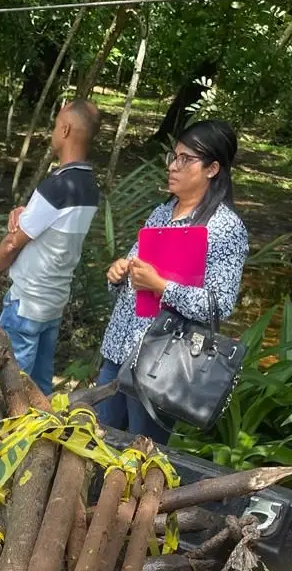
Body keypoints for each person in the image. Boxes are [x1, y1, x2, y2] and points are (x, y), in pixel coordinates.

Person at [96, 119, 249, 444]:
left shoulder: (225, 229)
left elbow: (218, 306)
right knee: (94, 439)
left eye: (186, 159)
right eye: (173, 156)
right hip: (118, 349)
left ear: (212, 169)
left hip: (160, 363)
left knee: (141, 455)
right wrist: (119, 273)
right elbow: (136, 267)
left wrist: (162, 286)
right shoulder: (164, 211)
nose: (173, 167)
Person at [0, 99, 101, 395]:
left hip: (27, 303)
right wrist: (24, 212)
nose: (54, 131)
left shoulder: (57, 187)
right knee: (39, 387)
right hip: (53, 303)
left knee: (9, 386)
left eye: (56, 125)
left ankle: (1, 437)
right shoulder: (89, 187)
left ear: (65, 129)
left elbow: (11, 244)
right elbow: (50, 229)